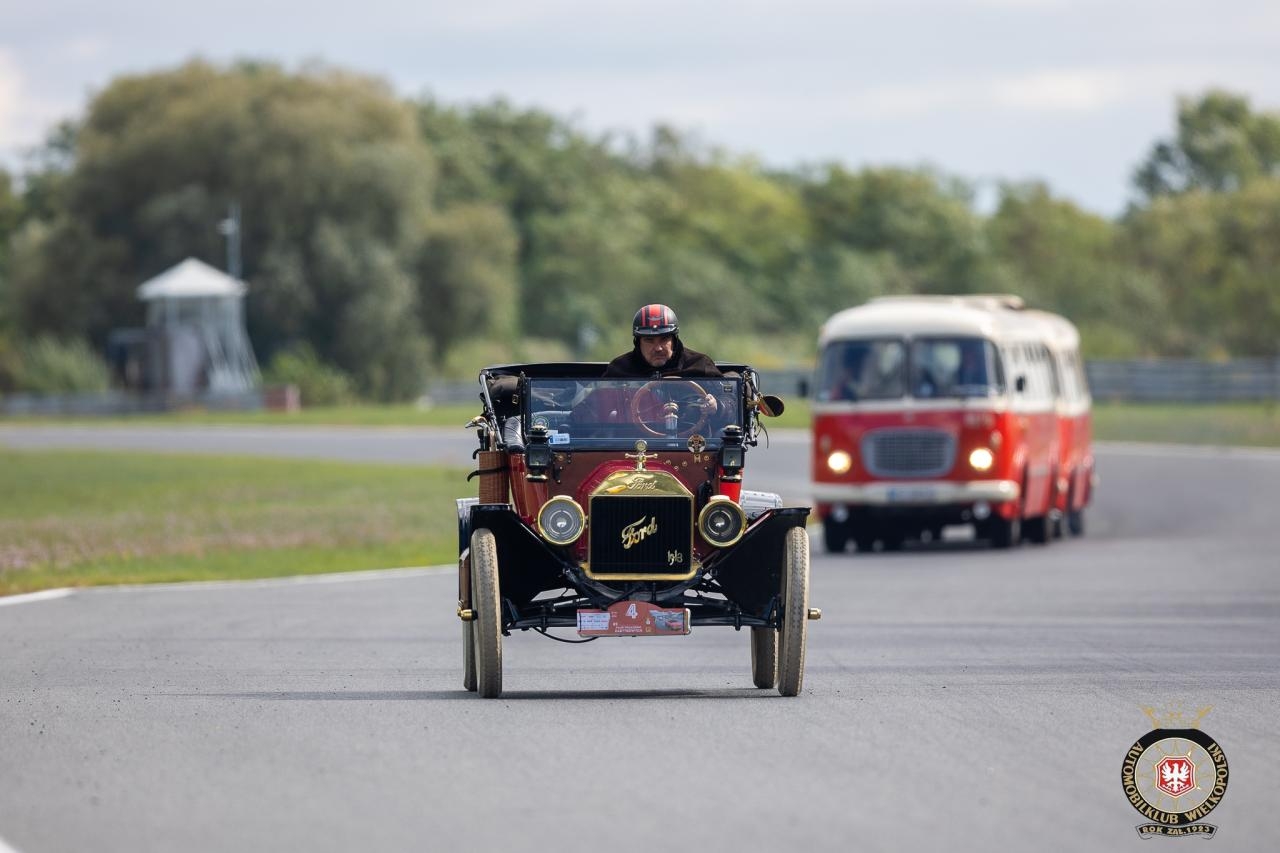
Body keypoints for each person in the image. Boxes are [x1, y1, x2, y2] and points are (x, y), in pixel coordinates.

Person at [605, 304, 723, 379]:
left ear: (674, 341)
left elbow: (730, 401)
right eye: (649, 340)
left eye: (664, 339)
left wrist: (717, 406)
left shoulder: (699, 365)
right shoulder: (619, 370)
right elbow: (593, 408)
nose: (658, 348)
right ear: (638, 343)